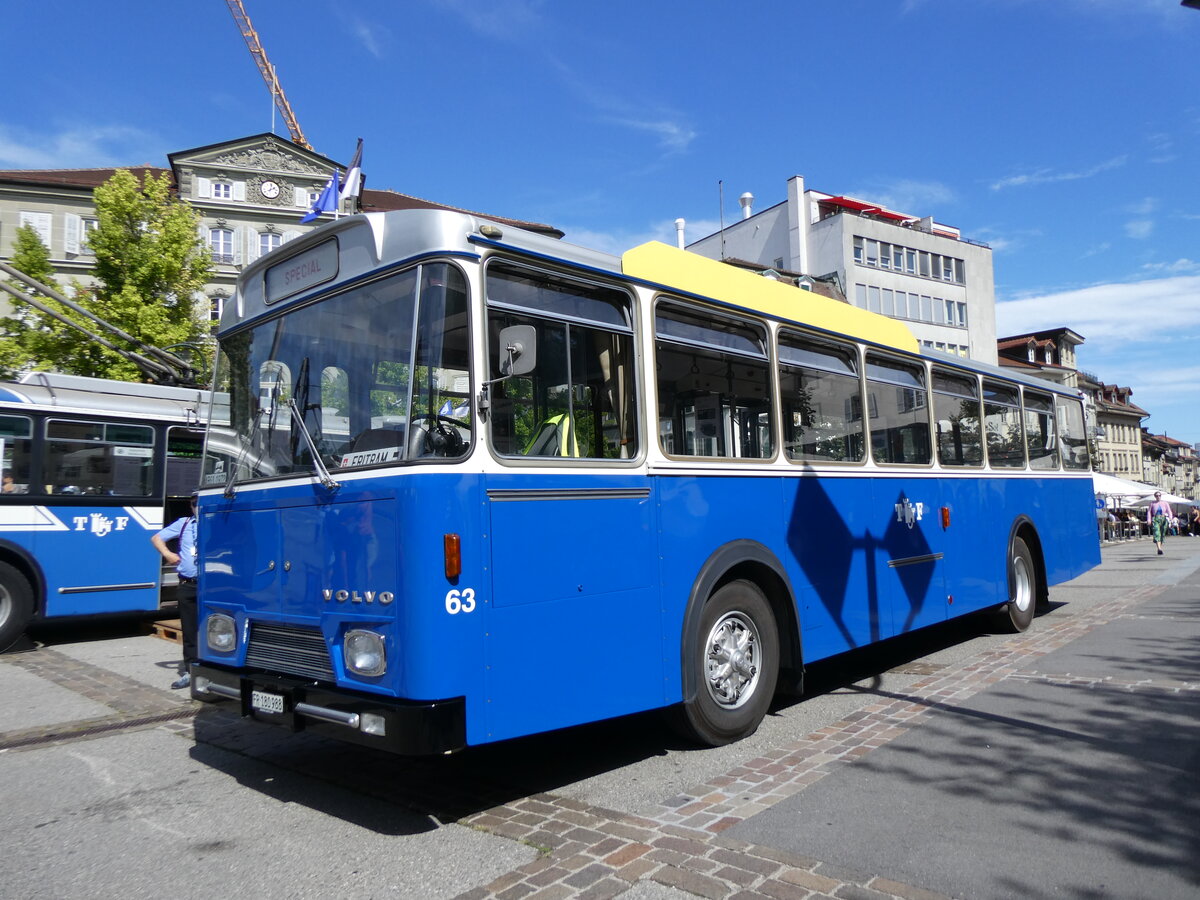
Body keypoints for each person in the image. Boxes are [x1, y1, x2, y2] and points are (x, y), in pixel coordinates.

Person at [152, 492, 199, 689]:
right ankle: (191, 672)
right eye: (195, 503)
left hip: (211, 586)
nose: (198, 507)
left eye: (201, 503)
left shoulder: (217, 523)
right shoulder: (185, 523)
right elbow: (156, 538)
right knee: (189, 632)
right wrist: (168, 554)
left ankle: (216, 670)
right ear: (191, 505)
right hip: (187, 584)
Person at [1145, 491, 1173, 556]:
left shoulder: (1165, 503)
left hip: (1163, 519)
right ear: (1155, 496)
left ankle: (1160, 547)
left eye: (1159, 495)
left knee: (1162, 534)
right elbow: (1149, 512)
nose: (1158, 497)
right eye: (1157, 496)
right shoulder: (1152, 503)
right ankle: (1159, 549)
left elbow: (1169, 511)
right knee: (1157, 533)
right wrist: (1149, 520)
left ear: (1161, 496)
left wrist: (1170, 518)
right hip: (1155, 519)